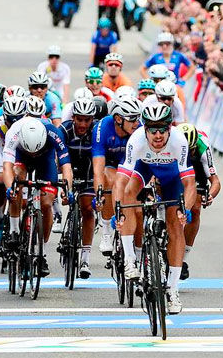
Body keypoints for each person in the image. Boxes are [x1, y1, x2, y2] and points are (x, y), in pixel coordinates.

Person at [117, 103, 196, 315]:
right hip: (145, 167)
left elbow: (190, 184)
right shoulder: (136, 140)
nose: (158, 134)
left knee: (175, 225)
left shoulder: (179, 141)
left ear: (170, 128)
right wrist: (118, 208)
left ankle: (173, 289)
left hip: (172, 177)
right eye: (152, 129)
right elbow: (121, 179)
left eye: (162, 129)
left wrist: (185, 209)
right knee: (128, 195)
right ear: (145, 129)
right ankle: (130, 260)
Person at [2, 118, 73, 276]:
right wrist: (10, 188)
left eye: (35, 150)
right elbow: (7, 166)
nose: (32, 153)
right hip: (21, 158)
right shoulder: (15, 132)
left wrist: (68, 190)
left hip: (45, 159)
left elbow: (66, 165)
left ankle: (42, 252)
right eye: (30, 150)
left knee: (47, 203)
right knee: (16, 181)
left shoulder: (54, 133)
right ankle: (14, 230)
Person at [92, 95, 142, 256]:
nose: (137, 122)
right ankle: (106, 231)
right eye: (132, 118)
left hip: (129, 162)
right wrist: (99, 193)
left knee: (136, 204)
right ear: (118, 119)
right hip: (109, 163)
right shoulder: (102, 128)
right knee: (110, 181)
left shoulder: (138, 129)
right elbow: (98, 168)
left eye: (138, 118)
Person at [176, 123, 221, 280]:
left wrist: (210, 196)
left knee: (194, 209)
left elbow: (215, 182)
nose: (190, 153)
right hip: (173, 161)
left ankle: (182, 260)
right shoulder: (169, 142)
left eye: (192, 150)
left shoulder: (203, 147)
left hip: (195, 169)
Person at [0, 94, 27, 258]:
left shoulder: (29, 125)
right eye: (10, 120)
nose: (13, 124)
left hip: (22, 154)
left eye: (17, 120)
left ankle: (24, 227)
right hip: (3, 154)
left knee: (22, 197)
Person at [60, 97, 97, 278]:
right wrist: (64, 186)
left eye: (87, 120)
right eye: (79, 119)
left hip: (89, 170)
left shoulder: (96, 131)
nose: (83, 124)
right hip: (67, 166)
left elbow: (99, 161)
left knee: (88, 209)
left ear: (92, 119)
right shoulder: (64, 130)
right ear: (73, 117)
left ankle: (85, 258)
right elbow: (57, 158)